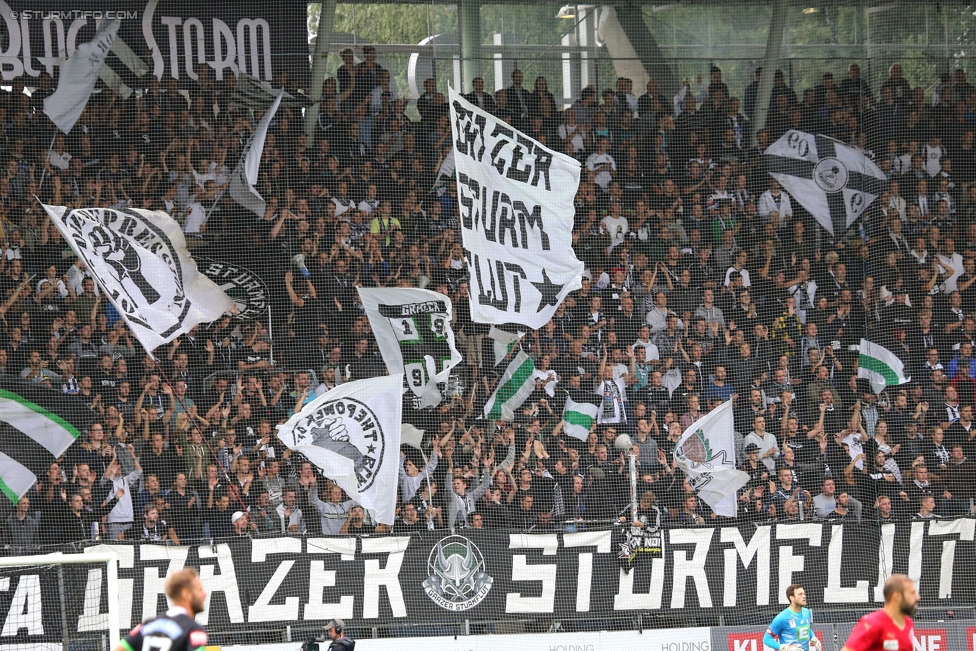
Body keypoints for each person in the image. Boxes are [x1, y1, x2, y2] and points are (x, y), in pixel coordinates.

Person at [115, 567, 208, 651]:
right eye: (200, 590)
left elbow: (120, 649)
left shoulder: (146, 625)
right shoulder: (193, 629)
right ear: (186, 594)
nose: (204, 594)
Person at [841, 574, 919, 651]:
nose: (917, 597)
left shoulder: (908, 623)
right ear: (897, 596)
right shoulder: (872, 623)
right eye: (912, 593)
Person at [763, 584, 820, 651]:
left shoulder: (807, 612)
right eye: (800, 594)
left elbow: (806, 629)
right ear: (792, 598)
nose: (804, 596)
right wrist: (785, 648)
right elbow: (766, 639)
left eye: (804, 594)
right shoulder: (781, 618)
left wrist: (813, 637)